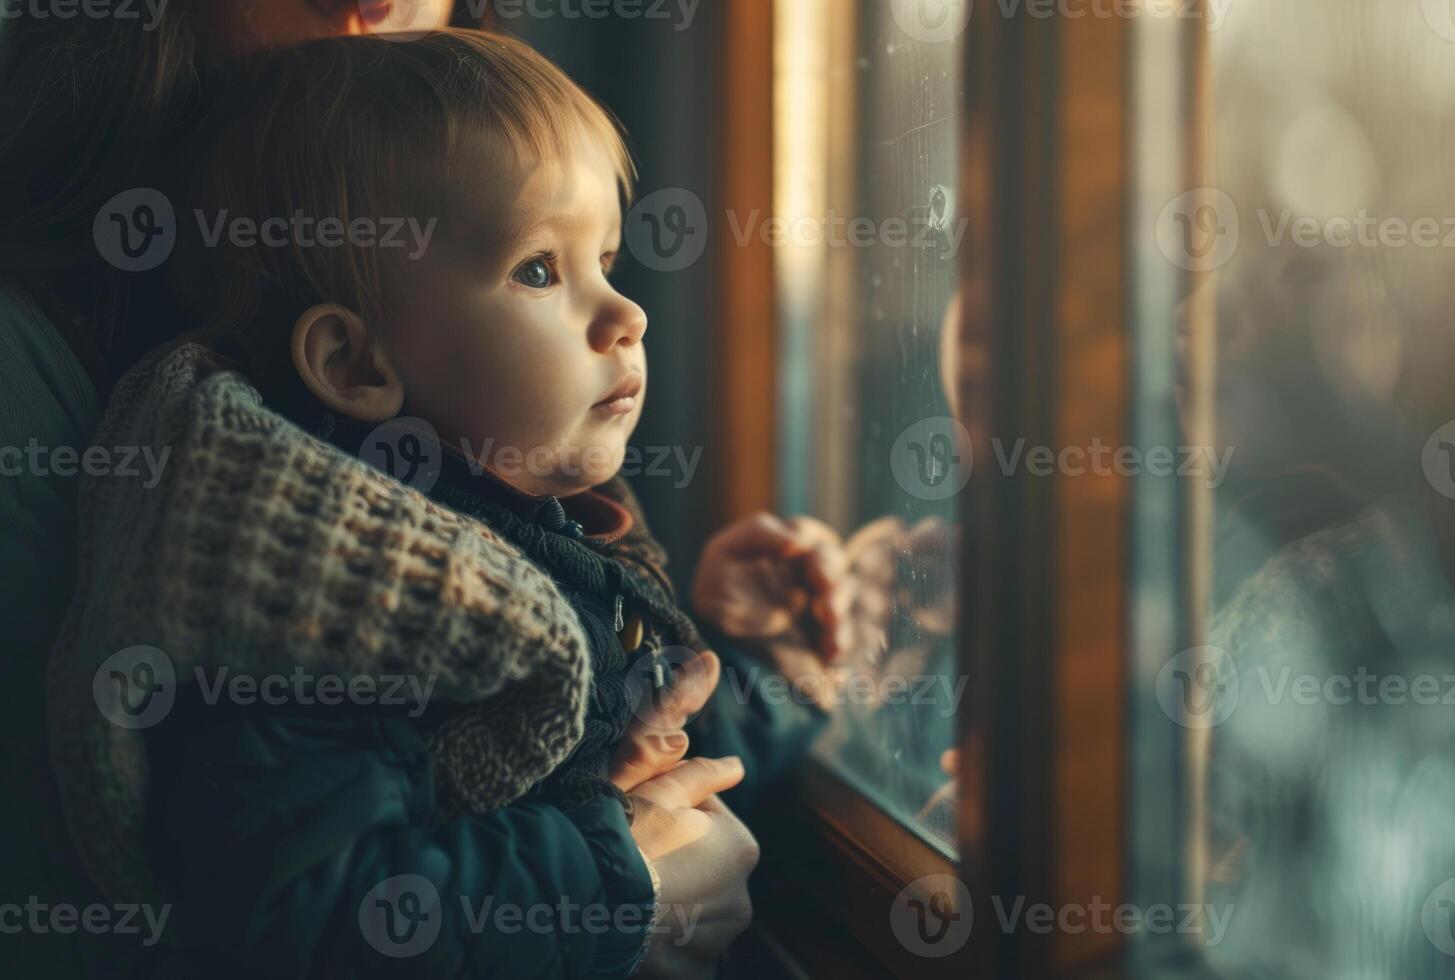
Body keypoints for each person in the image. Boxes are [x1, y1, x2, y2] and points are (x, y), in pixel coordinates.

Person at [1, 4, 847, 977]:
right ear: (355, 364)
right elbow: (308, 906)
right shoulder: (316, 592)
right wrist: (608, 878)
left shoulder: (525, 514)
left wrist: (771, 664)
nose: (625, 313)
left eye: (603, 260)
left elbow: (657, 741)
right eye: (539, 269)